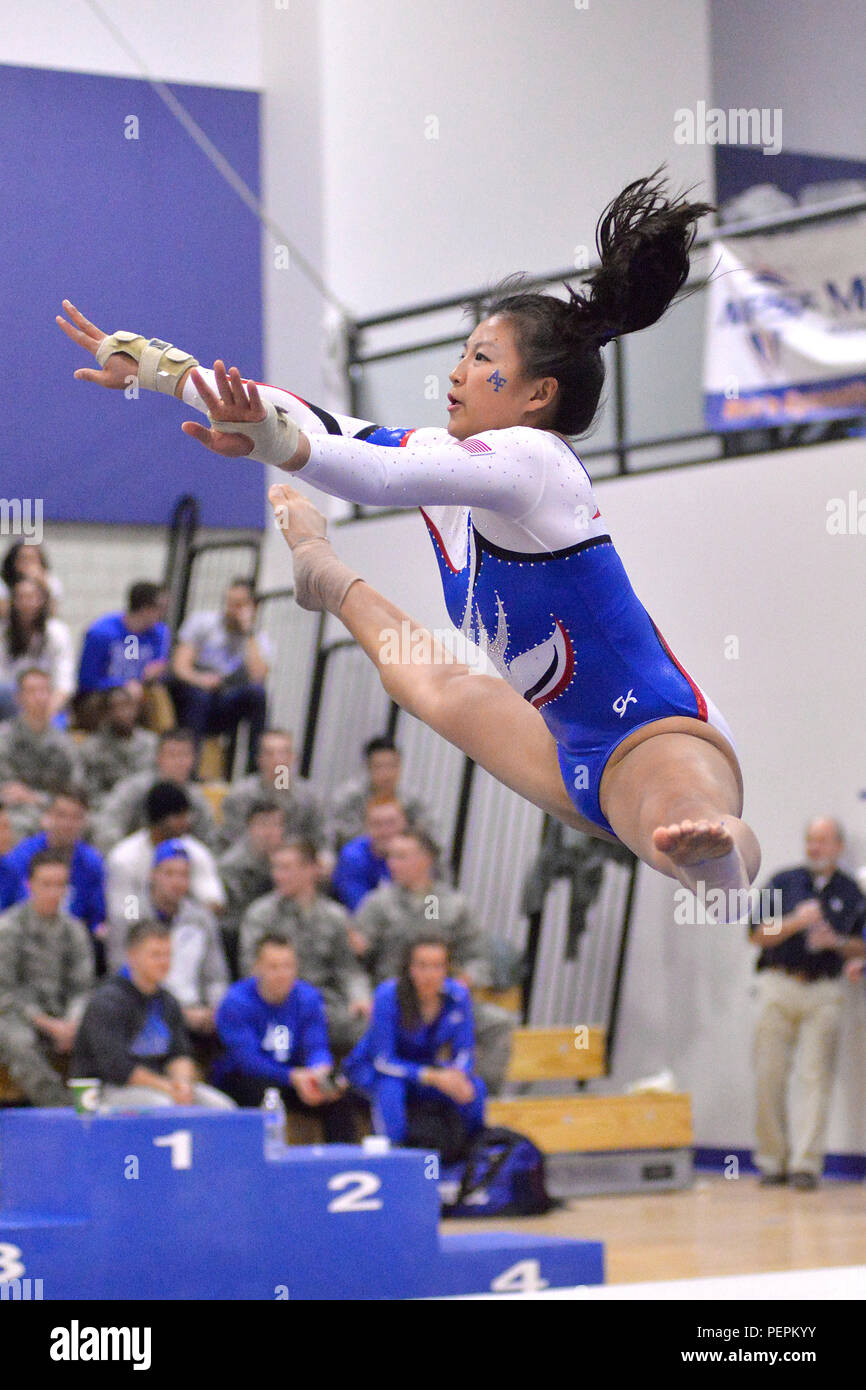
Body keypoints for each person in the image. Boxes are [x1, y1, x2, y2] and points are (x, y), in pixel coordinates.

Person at [56, 171, 762, 916]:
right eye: (463, 352)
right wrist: (168, 372)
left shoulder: (536, 463)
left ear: (536, 397)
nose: (458, 371)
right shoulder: (447, 464)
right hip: (567, 752)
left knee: (701, 854)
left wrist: (269, 439)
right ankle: (322, 573)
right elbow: (328, 426)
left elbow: (372, 472)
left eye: (484, 359)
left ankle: (720, 851)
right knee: (428, 683)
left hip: (656, 732)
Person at [749, 818, 866, 1189]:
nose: (814, 847)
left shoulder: (851, 892)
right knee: (769, 1073)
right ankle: (772, 1161)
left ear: (838, 846)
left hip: (825, 990)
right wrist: (795, 922)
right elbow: (755, 934)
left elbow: (861, 945)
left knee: (815, 1077)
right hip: (779, 983)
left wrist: (835, 942)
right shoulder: (784, 881)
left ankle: (806, 1165)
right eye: (810, 840)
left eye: (822, 841)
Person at [352, 827, 514, 1091]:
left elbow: (480, 957)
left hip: (444, 999)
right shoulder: (377, 905)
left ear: (426, 860)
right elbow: (353, 963)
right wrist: (359, 994)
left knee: (499, 1023)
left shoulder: (454, 905)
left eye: (402, 856)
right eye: (390, 857)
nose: (392, 864)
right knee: (354, 1027)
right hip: (393, 1001)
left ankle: (476, 1092)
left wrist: (468, 978)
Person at [71, 920, 235, 1111]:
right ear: (132, 956)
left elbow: (179, 1053)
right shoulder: (107, 1002)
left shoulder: (168, 1001)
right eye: (155, 955)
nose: (164, 962)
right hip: (107, 1091)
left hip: (161, 1086)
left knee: (222, 1107)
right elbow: (118, 1068)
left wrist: (182, 1084)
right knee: (162, 1107)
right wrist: (167, 1087)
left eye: (167, 955)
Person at [344, 936, 486, 1152]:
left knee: (474, 1087)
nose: (430, 974)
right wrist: (433, 1077)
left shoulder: (458, 996)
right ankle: (394, 1155)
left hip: (423, 1071)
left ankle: (470, 1156)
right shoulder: (388, 995)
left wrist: (458, 1074)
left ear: (447, 969)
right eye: (422, 966)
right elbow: (383, 1060)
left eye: (437, 966)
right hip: (375, 1070)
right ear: (409, 968)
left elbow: (465, 1050)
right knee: (390, 1089)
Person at [213, 935, 357, 1141]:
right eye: (273, 967)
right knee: (258, 1091)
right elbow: (247, 1060)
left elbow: (316, 1045)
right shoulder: (236, 1002)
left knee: (338, 1098)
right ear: (256, 968)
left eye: (288, 966)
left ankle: (344, 1165)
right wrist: (293, 1076)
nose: (282, 974)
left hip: (296, 1077)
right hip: (246, 1078)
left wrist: (320, 1071)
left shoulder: (308, 998)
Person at [239, 839, 371, 1055]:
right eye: (275, 868)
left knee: (369, 1025)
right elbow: (250, 970)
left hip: (324, 1004)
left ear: (311, 870)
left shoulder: (334, 915)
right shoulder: (260, 914)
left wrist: (360, 997)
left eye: (286, 868)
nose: (277, 875)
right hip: (277, 1004)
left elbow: (349, 969)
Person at [0, 851, 95, 1106]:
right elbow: (5, 994)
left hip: (63, 1015)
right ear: (29, 885)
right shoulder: (8, 928)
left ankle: (98, 1105)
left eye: (60, 885)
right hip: (19, 1015)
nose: (55, 892)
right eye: (47, 884)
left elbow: (83, 988)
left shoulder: (74, 930)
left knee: (98, 1029)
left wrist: (72, 1022)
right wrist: (49, 1025)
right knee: (17, 1040)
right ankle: (60, 1109)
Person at [105, 782, 226, 953]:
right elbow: (124, 913)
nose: (186, 822)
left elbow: (213, 902)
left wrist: (180, 914)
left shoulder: (196, 853)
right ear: (159, 820)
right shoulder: (126, 859)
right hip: (139, 935)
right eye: (179, 817)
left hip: (183, 932)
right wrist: (154, 917)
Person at [169, 577, 272, 773]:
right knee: (199, 696)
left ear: (253, 607)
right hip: (191, 693)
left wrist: (247, 632)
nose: (231, 609)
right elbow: (180, 667)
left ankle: (255, 772)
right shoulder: (202, 622)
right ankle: (190, 771)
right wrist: (201, 680)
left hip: (223, 702)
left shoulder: (258, 640)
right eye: (229, 602)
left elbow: (258, 676)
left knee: (257, 695)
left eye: (239, 604)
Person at [92, 727, 217, 855]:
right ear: (159, 758)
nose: (179, 762)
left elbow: (209, 844)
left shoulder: (197, 800)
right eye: (173, 755)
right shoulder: (133, 789)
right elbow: (107, 825)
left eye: (184, 755)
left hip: (179, 867)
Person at [2, 789, 107, 937]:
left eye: (76, 817)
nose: (67, 824)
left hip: (73, 940)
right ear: (48, 816)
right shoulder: (21, 857)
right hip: (24, 938)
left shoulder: (92, 863)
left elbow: (97, 917)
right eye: (61, 815)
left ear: (85, 821)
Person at [75, 580, 170, 730]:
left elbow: (158, 665)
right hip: (102, 694)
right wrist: (121, 684)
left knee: (159, 697)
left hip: (141, 691)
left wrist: (158, 670)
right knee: (120, 700)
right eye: (160, 609)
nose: (163, 614)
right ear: (146, 609)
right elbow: (87, 680)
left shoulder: (160, 633)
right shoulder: (101, 633)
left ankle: (162, 742)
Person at [216, 727, 325, 853]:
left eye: (283, 753)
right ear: (259, 759)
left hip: (296, 865)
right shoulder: (239, 796)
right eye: (269, 753)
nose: (277, 759)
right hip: (249, 864)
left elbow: (321, 840)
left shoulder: (309, 797)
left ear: (293, 757)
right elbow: (230, 841)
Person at [0, 667, 79, 842]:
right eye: (32, 691)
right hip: (15, 813)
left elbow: (76, 788)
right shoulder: (4, 738)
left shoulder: (65, 743)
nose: (40, 698)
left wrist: (36, 798)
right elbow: (8, 790)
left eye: (45, 691)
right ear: (19, 698)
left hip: (59, 812)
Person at [330, 735, 434, 850]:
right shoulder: (349, 797)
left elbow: (428, 835)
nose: (387, 774)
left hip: (402, 857)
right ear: (368, 768)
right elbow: (341, 836)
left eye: (392, 766)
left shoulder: (412, 800)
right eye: (379, 766)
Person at [216, 801, 284, 971]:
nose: (269, 832)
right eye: (263, 825)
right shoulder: (230, 866)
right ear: (249, 828)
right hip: (241, 932)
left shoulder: (288, 860)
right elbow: (228, 916)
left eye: (276, 825)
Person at [0, 577, 75, 721]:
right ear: (13, 602)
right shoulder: (4, 633)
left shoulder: (58, 632)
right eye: (21, 598)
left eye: (32, 597)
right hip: (14, 703)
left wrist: (47, 710)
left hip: (49, 701)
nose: (26, 603)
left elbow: (65, 682)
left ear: (42, 601)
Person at [79, 684, 159, 808]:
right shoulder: (91, 748)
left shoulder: (152, 743)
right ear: (107, 713)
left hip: (147, 808)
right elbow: (89, 792)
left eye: (128, 705)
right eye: (117, 707)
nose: (125, 712)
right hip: (107, 808)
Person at [331, 798, 407, 912]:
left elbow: (431, 897)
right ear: (367, 827)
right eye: (377, 824)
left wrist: (431, 920)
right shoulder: (353, 857)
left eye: (391, 823)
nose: (385, 831)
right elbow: (362, 910)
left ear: (404, 824)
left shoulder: (418, 856)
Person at [0, 540, 63, 616]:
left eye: (32, 559)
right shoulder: (3, 582)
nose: (28, 564)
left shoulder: (50, 581)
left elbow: (53, 613)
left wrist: (43, 584)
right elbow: (4, 613)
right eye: (23, 559)